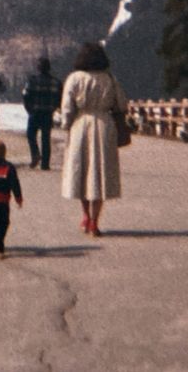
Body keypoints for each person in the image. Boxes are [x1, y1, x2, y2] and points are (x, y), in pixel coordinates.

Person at [60, 42, 127, 237]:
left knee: (81, 172)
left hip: (81, 125)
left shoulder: (74, 78)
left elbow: (67, 108)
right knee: (100, 174)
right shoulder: (109, 78)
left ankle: (85, 216)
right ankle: (95, 222)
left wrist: (66, 125)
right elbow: (121, 104)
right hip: (105, 125)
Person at [22, 57, 64, 170]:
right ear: (49, 68)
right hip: (48, 113)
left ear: (38, 67)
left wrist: (28, 109)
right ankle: (45, 163)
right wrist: (54, 108)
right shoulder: (56, 82)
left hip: (34, 112)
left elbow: (26, 95)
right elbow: (60, 98)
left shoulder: (32, 80)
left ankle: (35, 154)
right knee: (46, 138)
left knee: (30, 135)